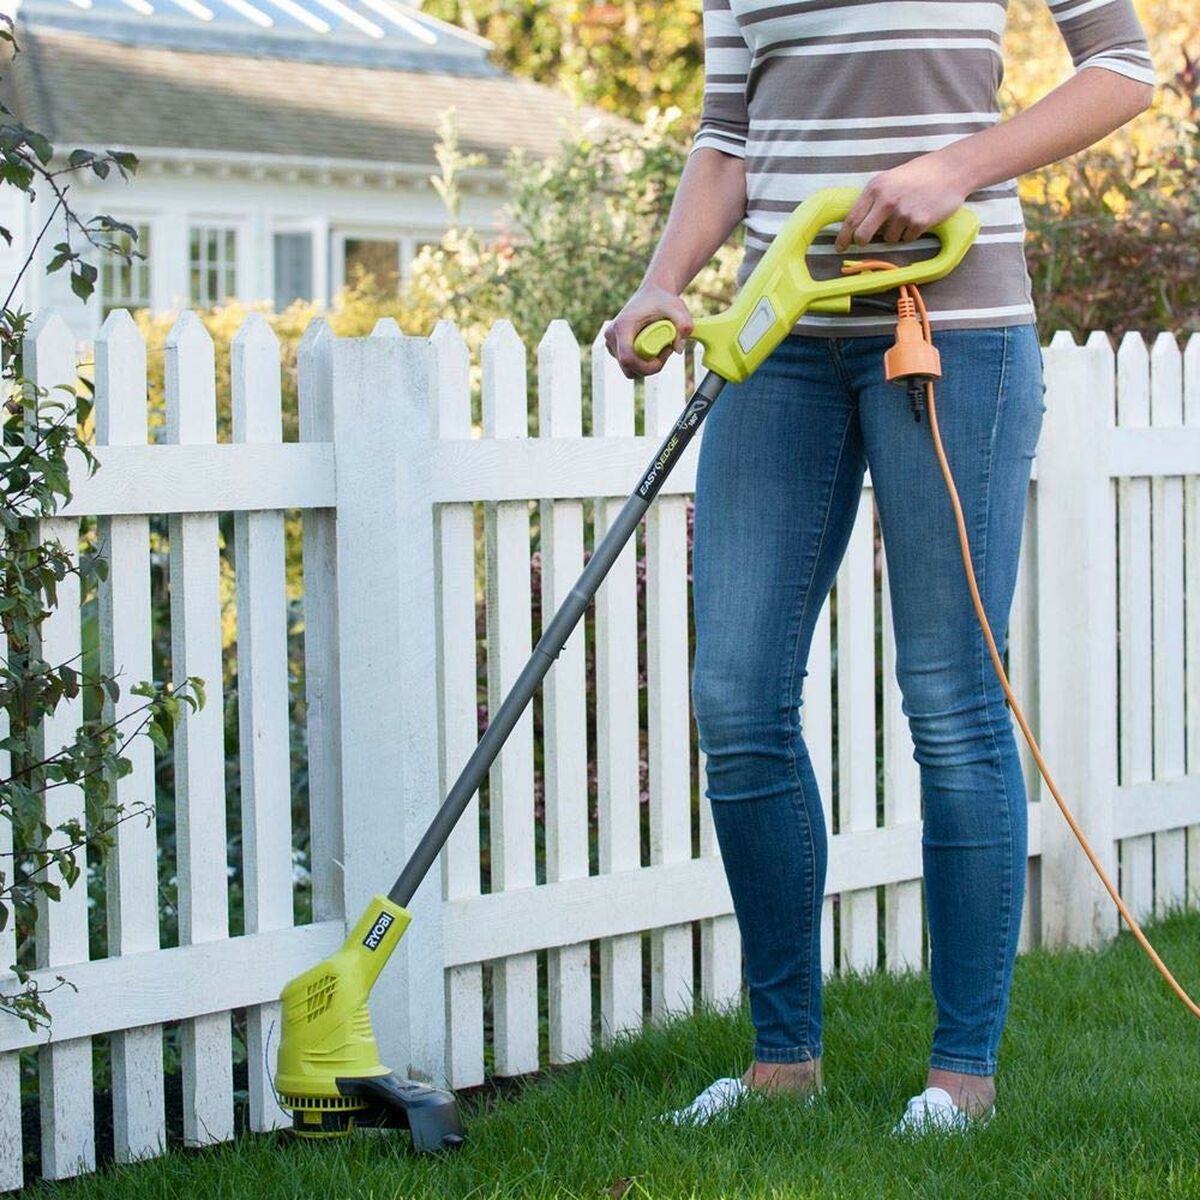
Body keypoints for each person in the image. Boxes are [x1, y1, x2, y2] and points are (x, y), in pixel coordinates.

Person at [606, 0, 1156, 1135]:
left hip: (952, 325)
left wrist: (958, 166)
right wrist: (664, 278)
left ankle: (961, 1078)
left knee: (951, 701)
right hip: (780, 334)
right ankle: (783, 1062)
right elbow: (729, 135)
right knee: (737, 697)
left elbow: (1123, 68)